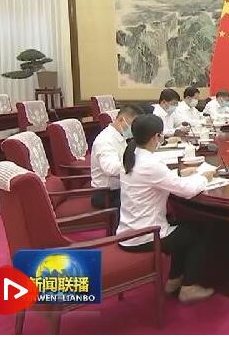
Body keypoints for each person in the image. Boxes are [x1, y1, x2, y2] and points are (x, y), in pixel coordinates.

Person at [117, 114, 216, 303]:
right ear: (156, 137)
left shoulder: (131, 156)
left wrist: (180, 173)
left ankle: (174, 280)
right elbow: (186, 191)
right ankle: (189, 287)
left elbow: (157, 179)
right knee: (200, 230)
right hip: (146, 236)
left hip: (128, 232)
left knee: (182, 227)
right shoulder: (150, 164)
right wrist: (204, 177)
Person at [90, 105, 142, 209]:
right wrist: (137, 166)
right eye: (133, 125)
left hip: (121, 187)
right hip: (108, 194)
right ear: (122, 120)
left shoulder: (119, 136)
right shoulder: (105, 140)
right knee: (148, 199)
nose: (134, 129)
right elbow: (111, 169)